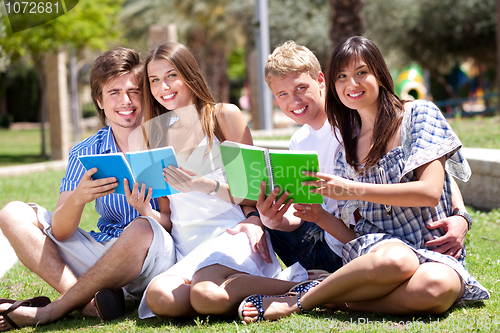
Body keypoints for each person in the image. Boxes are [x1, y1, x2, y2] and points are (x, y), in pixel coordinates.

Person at [0, 46, 266, 331]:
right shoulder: (88, 151)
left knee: (141, 228)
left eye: (134, 91)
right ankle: (88, 302)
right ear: (99, 102)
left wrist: (251, 217)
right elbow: (62, 232)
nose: (125, 101)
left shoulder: (163, 134)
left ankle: (62, 306)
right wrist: (79, 199)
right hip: (108, 252)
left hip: (158, 249)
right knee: (12, 214)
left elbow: (243, 188)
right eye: (113, 93)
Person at [239, 36, 489, 322]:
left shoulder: (418, 113)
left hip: (432, 245)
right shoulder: (348, 146)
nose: (352, 84)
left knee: (436, 287)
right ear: (333, 85)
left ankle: (333, 298)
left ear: (380, 75)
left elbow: (433, 187)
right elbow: (354, 231)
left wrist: (462, 216)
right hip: (381, 248)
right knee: (398, 259)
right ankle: (301, 301)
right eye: (342, 77)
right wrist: (309, 217)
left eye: (361, 73)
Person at [135, 42, 311, 320]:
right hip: (189, 247)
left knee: (206, 296)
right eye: (154, 80)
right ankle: (277, 288)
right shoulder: (154, 136)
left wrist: (246, 214)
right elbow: (169, 215)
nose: (163, 87)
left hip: (232, 235)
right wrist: (145, 209)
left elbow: (256, 192)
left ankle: (305, 287)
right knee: (161, 298)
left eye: (171, 76)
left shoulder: (222, 116)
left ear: (189, 75)